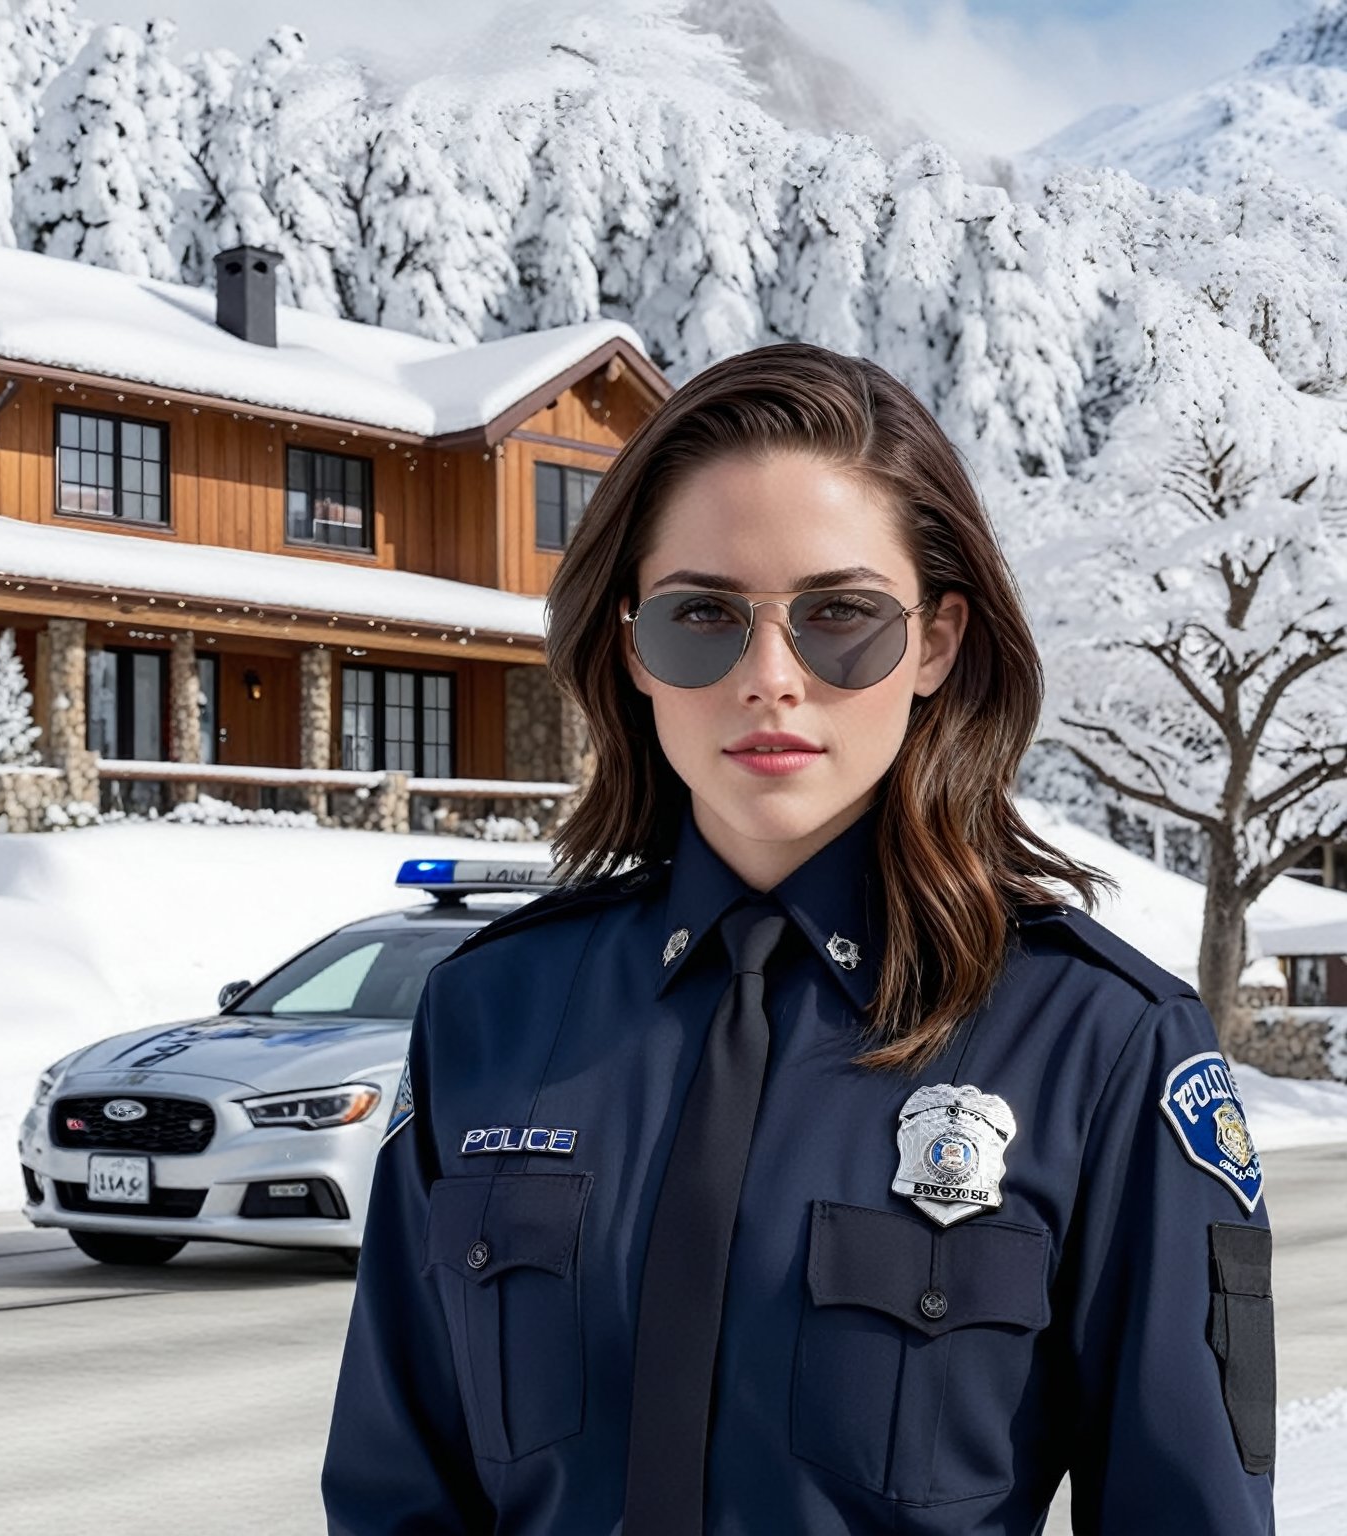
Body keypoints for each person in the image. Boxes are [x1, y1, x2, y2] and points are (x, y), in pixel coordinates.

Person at [321, 343, 1275, 1534]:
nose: (770, 677)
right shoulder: (490, 1015)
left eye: (839, 617)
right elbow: (394, 1492)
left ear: (935, 643)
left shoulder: (1101, 1045)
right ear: (631, 648)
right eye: (702, 617)